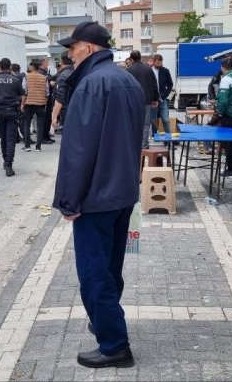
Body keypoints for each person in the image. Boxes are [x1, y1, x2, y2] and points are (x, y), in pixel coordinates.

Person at [52, 21, 143, 369]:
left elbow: (78, 150)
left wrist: (69, 200)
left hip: (96, 195)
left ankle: (114, 345)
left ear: (88, 48)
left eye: (72, 48)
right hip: (122, 191)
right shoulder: (127, 79)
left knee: (94, 274)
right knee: (110, 267)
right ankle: (105, 321)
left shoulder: (91, 84)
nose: (69, 55)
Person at [0, 57, 24, 177]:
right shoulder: (15, 80)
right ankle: (9, 165)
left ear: (0, 66)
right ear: (10, 67)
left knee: (3, 138)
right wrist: (22, 105)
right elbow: (22, 94)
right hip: (12, 112)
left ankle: (5, 160)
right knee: (11, 139)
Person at [126, 50, 158, 149]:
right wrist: (155, 99)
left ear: (131, 59)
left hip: (133, 100)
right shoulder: (148, 69)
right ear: (140, 58)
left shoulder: (129, 70)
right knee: (146, 123)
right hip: (146, 100)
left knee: (133, 122)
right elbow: (154, 84)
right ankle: (144, 144)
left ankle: (134, 144)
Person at [22, 61, 48, 152]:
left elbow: (24, 91)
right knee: (40, 125)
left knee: (27, 124)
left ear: (32, 67)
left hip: (29, 103)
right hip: (41, 104)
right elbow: (47, 93)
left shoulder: (26, 77)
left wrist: (22, 104)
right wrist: (45, 103)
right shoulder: (44, 78)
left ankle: (27, 146)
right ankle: (38, 146)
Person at [51, 52, 73, 136]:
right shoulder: (78, 72)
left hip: (66, 111)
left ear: (61, 61)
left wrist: (54, 117)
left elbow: (60, 97)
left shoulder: (63, 75)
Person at [151, 53, 174, 134]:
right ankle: (154, 136)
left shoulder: (165, 71)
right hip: (153, 99)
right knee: (154, 120)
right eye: (158, 63)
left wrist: (165, 95)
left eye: (161, 63)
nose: (160, 64)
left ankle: (168, 137)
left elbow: (170, 84)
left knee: (165, 119)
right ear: (153, 61)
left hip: (162, 98)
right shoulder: (149, 71)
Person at [10, 63, 29, 144]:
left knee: (15, 120)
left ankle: (16, 137)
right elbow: (24, 90)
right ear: (19, 69)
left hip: (13, 100)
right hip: (21, 99)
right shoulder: (22, 76)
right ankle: (25, 137)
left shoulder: (11, 77)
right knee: (22, 119)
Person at [40, 57, 56, 144]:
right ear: (42, 63)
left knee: (48, 118)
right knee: (45, 118)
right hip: (44, 98)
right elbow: (44, 85)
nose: (48, 64)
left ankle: (46, 135)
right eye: (46, 63)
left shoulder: (45, 72)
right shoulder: (41, 73)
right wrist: (50, 84)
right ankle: (43, 137)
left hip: (48, 97)